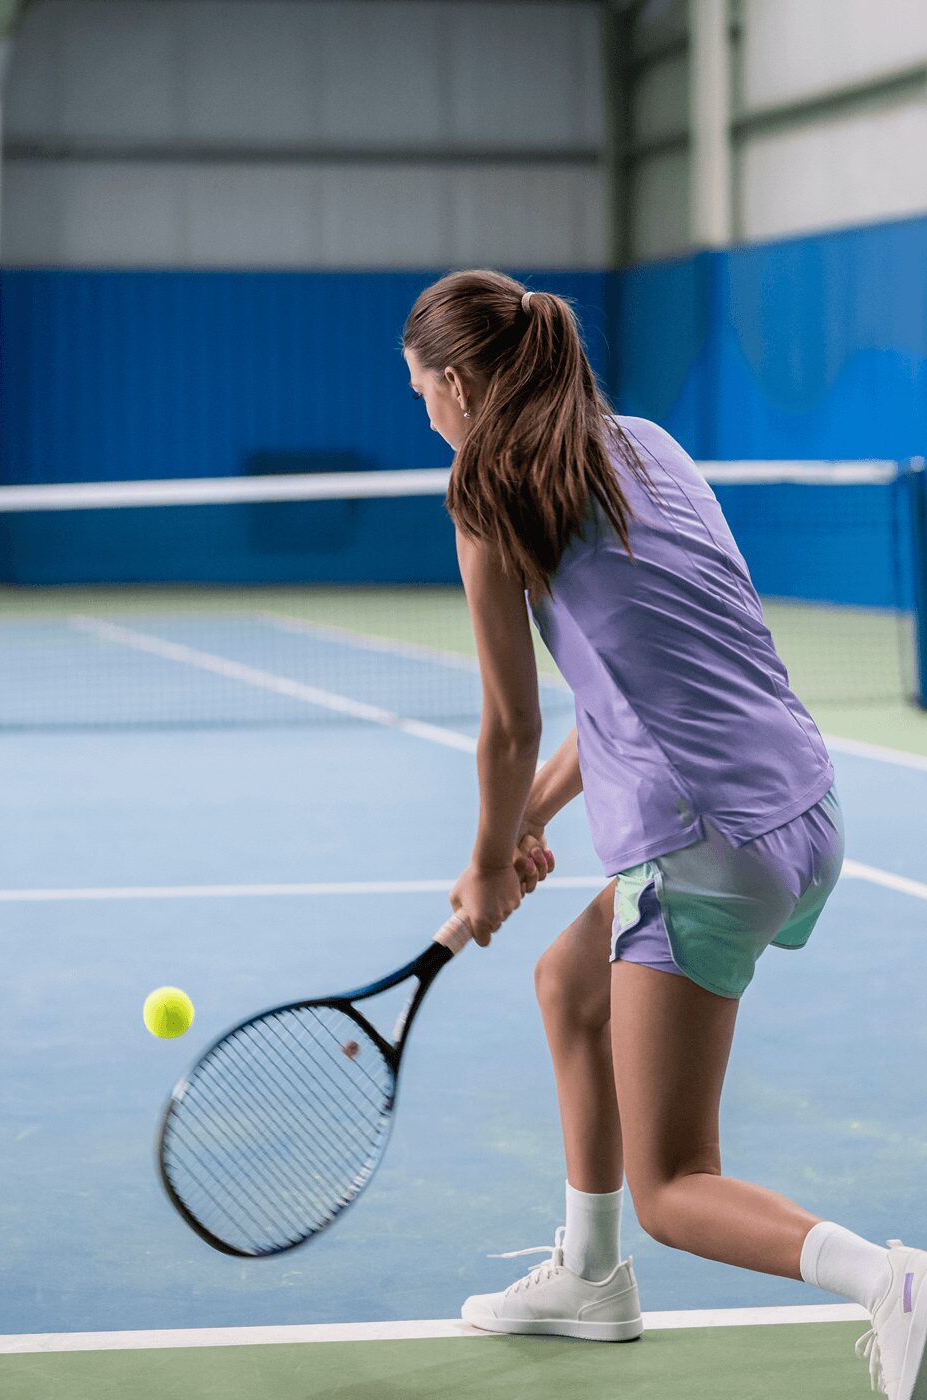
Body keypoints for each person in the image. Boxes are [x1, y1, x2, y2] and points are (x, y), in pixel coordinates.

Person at [402, 270, 924, 1400]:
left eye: (422, 393)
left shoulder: (486, 487)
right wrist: (531, 824)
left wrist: (492, 861)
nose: (427, 415)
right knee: (567, 984)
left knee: (676, 1181)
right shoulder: (643, 447)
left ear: (453, 383)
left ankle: (891, 1280)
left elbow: (508, 721)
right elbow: (641, 681)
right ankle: (589, 1278)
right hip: (801, 807)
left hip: (702, 846)